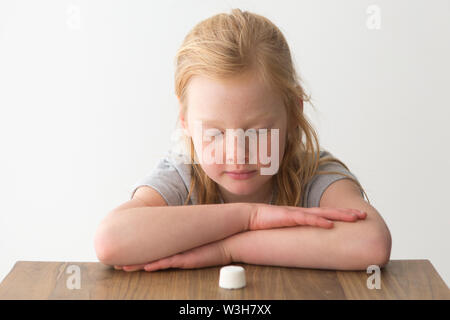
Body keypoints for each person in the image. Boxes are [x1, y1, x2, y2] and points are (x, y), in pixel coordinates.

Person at [94, 8, 391, 272]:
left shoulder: (314, 174)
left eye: (259, 131)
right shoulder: (182, 176)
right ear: (185, 123)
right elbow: (110, 241)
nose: (237, 154)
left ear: (292, 112)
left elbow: (371, 244)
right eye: (215, 133)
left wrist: (229, 249)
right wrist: (250, 216)